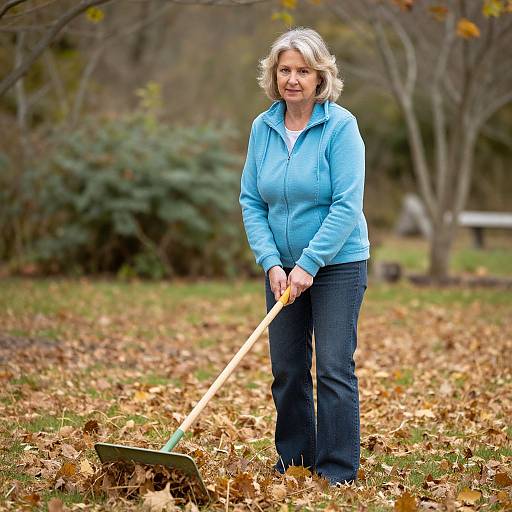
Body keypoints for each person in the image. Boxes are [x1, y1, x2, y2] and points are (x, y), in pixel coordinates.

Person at [239, 27, 370, 485]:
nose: (293, 79)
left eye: (303, 70)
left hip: (337, 265)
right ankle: (295, 461)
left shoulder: (341, 127)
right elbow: (252, 201)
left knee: (334, 366)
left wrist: (309, 264)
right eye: (285, 69)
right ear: (274, 76)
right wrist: (272, 263)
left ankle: (337, 470)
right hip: (281, 270)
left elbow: (346, 204)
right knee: (288, 370)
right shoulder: (263, 127)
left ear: (320, 77)